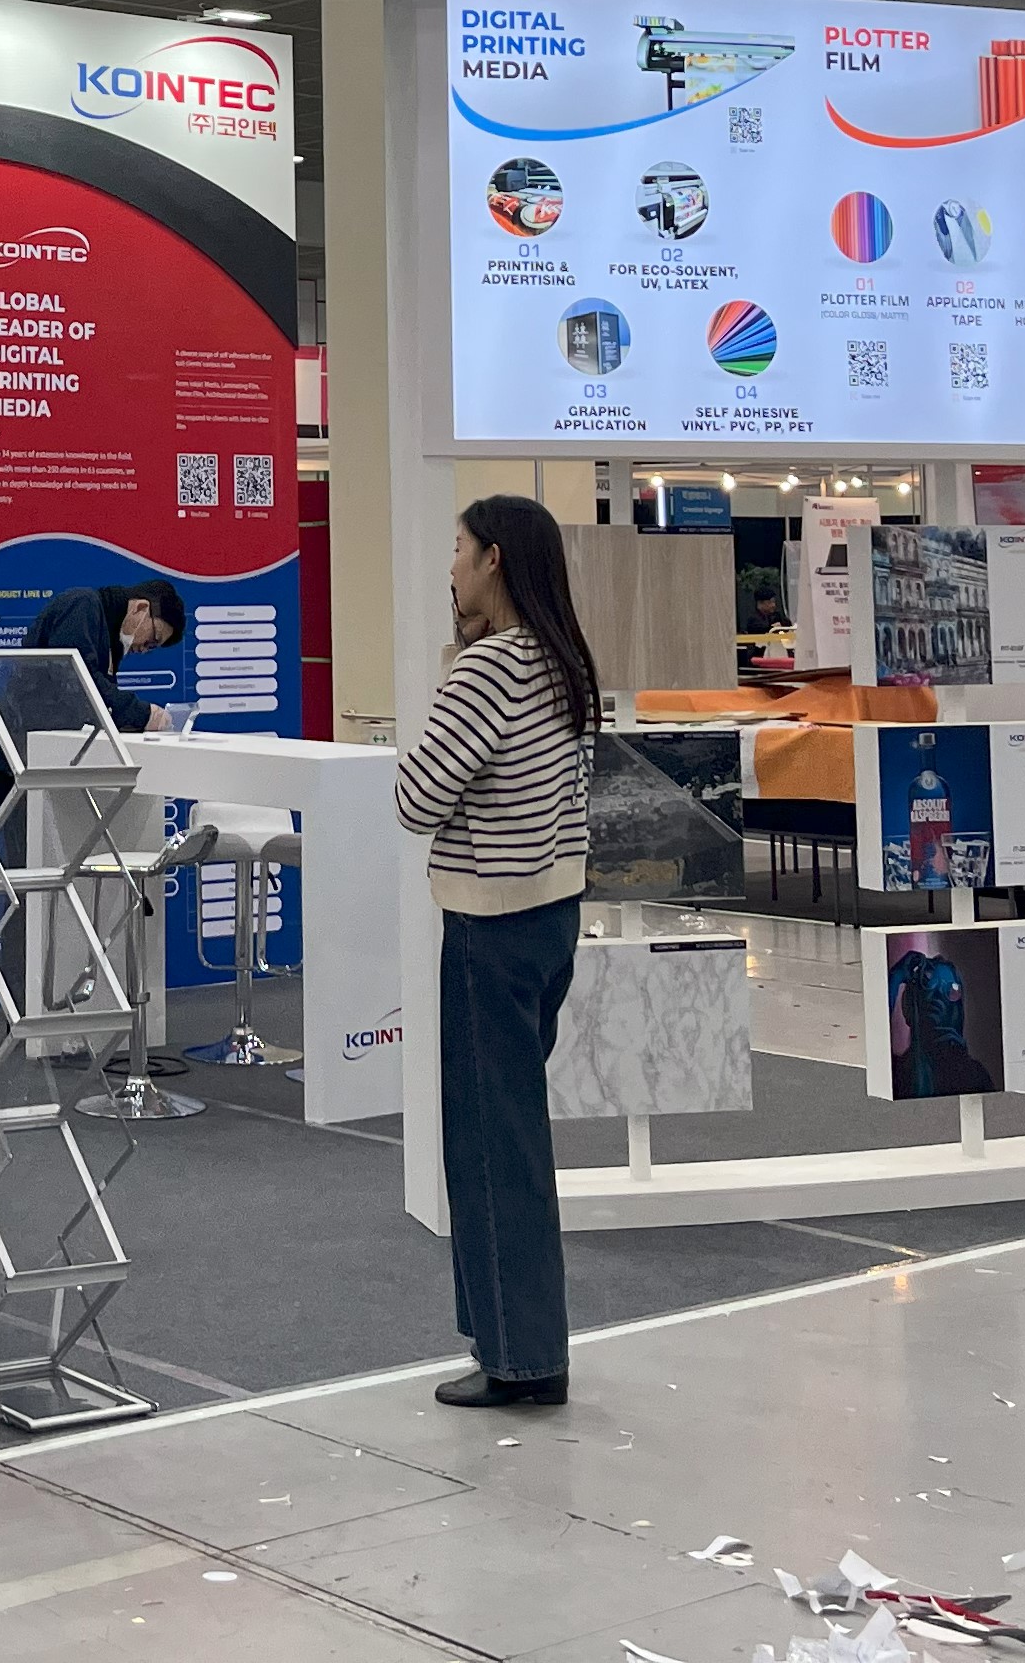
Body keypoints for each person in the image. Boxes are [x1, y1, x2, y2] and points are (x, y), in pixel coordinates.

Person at [393, 494, 601, 1410]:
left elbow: (415, 799)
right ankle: (524, 1346)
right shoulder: (564, 662)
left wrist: (456, 668)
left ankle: (518, 1357)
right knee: (514, 1138)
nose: (450, 566)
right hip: (552, 915)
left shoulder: (487, 670)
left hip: (490, 924)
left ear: (494, 561)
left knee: (487, 1145)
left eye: (459, 548)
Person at [22, 577, 186, 732]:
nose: (144, 649)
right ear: (141, 608)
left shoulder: (111, 637)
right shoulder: (83, 605)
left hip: (49, 733)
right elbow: (77, 681)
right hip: (29, 734)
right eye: (153, 639)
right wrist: (142, 714)